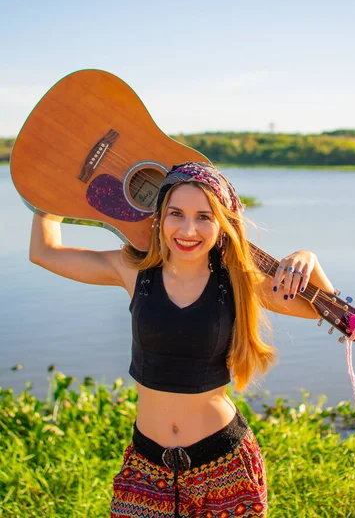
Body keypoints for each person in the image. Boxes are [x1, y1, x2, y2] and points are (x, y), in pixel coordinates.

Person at [29, 161, 334, 517]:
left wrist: (309, 261)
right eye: (176, 213)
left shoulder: (238, 280)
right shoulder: (133, 270)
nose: (188, 229)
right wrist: (47, 189)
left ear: (222, 223)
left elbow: (319, 309)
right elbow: (44, 252)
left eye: (204, 216)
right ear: (158, 217)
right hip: (147, 466)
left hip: (225, 465)